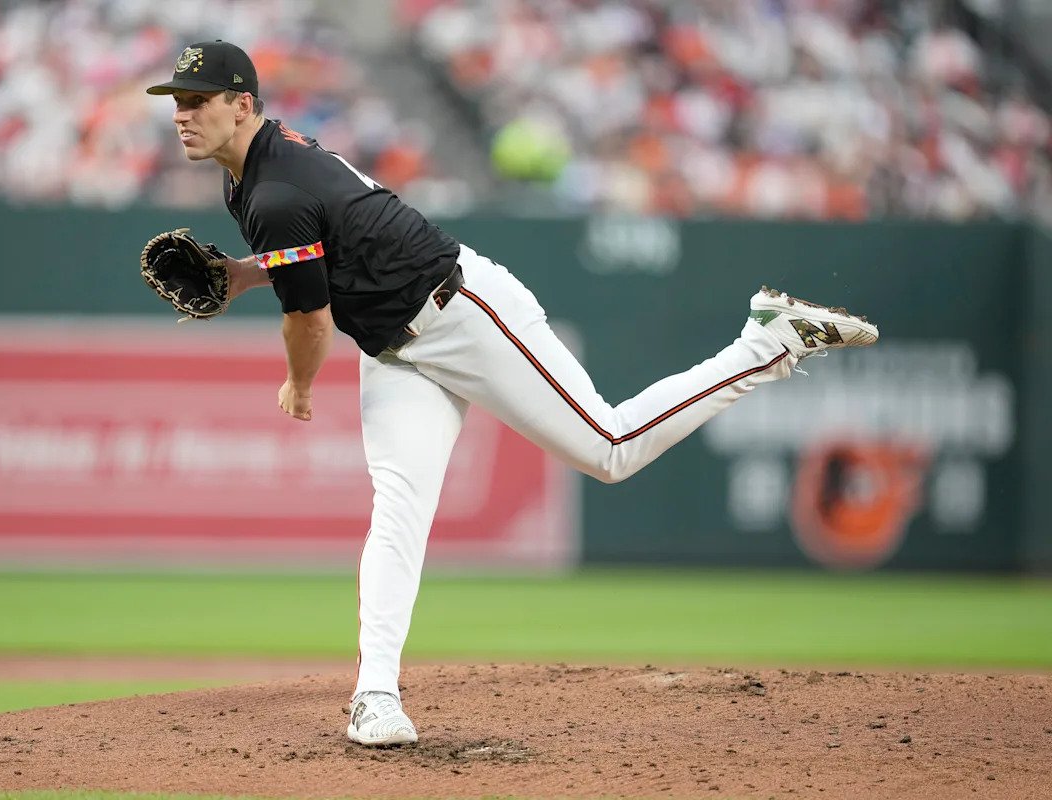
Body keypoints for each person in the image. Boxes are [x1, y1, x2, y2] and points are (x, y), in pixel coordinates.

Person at [146, 40, 879, 747]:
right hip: (396, 351)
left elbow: (310, 319)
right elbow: (318, 244)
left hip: (462, 313)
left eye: (198, 100)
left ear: (242, 104)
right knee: (398, 511)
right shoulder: (253, 172)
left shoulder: (272, 188)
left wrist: (299, 386)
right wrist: (242, 275)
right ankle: (375, 696)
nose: (182, 113)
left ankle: (765, 344)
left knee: (611, 449)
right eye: (177, 100)